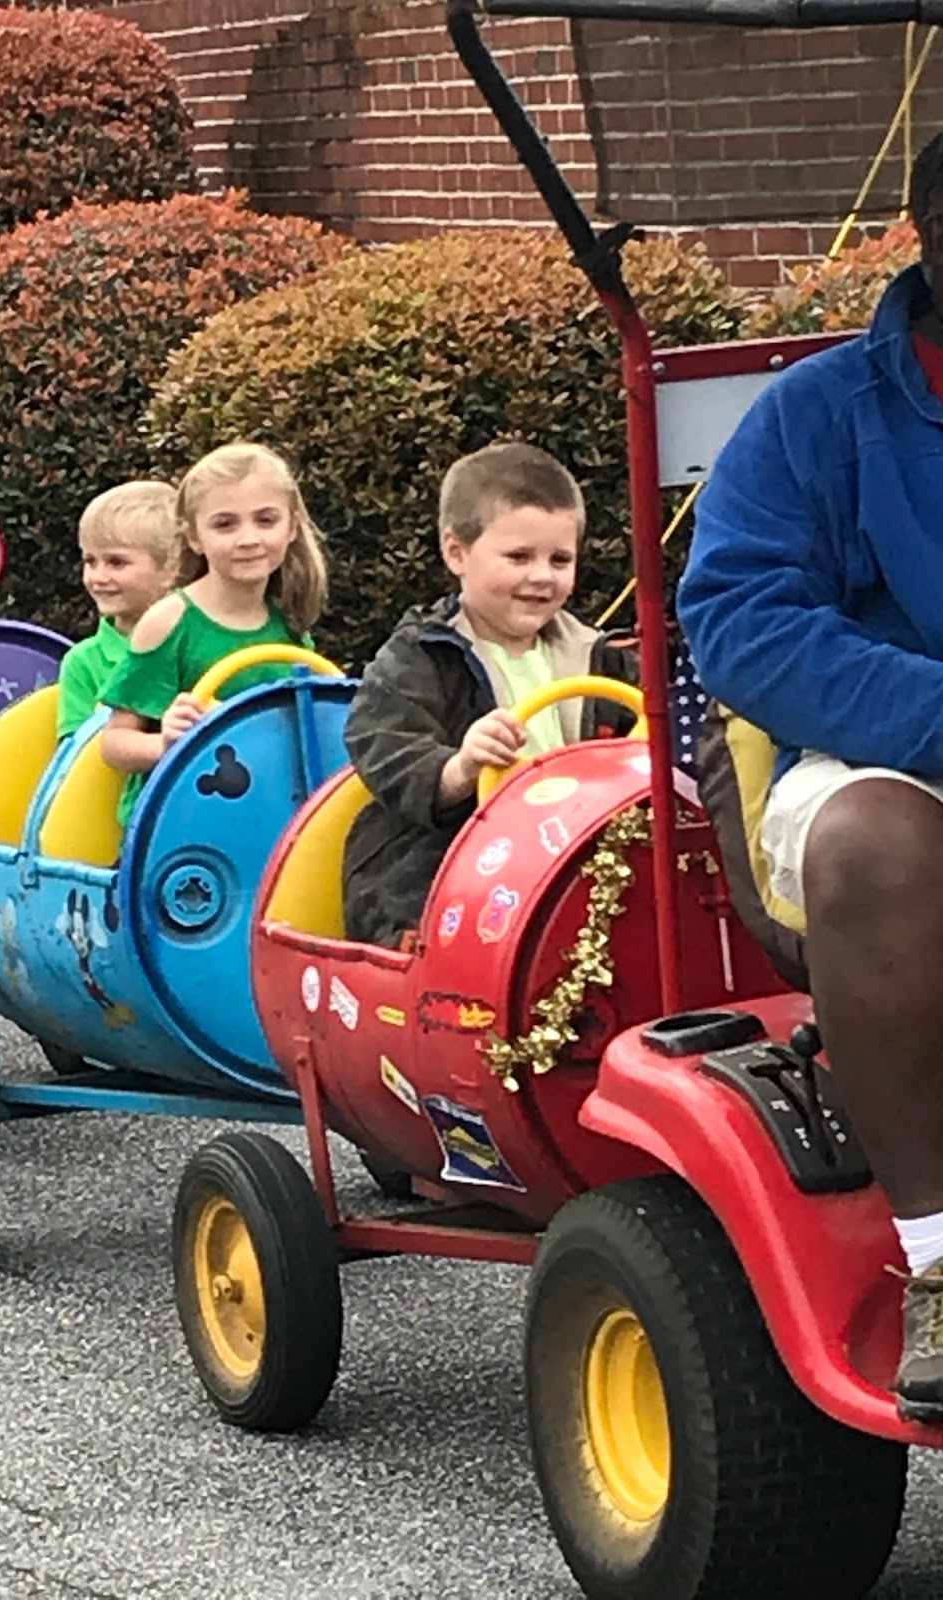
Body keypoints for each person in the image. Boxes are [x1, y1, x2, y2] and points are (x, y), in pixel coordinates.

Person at [678, 133, 943, 1422]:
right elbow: (738, 620)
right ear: (930, 232)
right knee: (874, 847)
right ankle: (940, 1255)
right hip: (877, 764)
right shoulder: (819, 415)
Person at [343, 440, 637, 950]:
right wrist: (459, 768)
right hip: (445, 865)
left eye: (560, 559)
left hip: (572, 859)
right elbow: (380, 741)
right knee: (415, 903)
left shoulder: (600, 656)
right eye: (519, 557)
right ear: (456, 552)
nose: (541, 576)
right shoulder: (422, 654)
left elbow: (644, 739)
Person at [100, 442, 327, 823]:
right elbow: (115, 743)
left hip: (266, 813)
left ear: (291, 527)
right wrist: (168, 741)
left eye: (266, 520)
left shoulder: (288, 619)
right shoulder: (170, 622)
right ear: (194, 537)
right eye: (225, 524)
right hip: (178, 823)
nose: (248, 538)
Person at [55, 480, 178, 738]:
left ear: (171, 568)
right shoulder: (83, 662)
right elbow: (77, 755)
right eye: (90, 561)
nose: (97, 577)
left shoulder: (194, 641)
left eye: (116, 562)